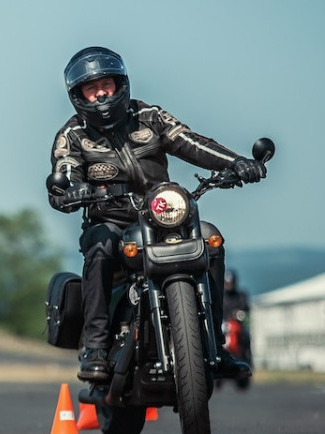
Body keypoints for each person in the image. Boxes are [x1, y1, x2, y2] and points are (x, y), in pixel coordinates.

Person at [47, 46, 262, 382]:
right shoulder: (73, 135)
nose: (101, 92)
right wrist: (68, 189)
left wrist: (236, 162)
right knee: (100, 245)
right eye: (92, 88)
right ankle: (96, 347)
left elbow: (190, 141)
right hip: (111, 222)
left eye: (106, 84)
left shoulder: (150, 117)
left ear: (120, 84)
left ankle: (216, 345)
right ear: (79, 95)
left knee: (210, 239)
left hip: (164, 218)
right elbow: (66, 168)